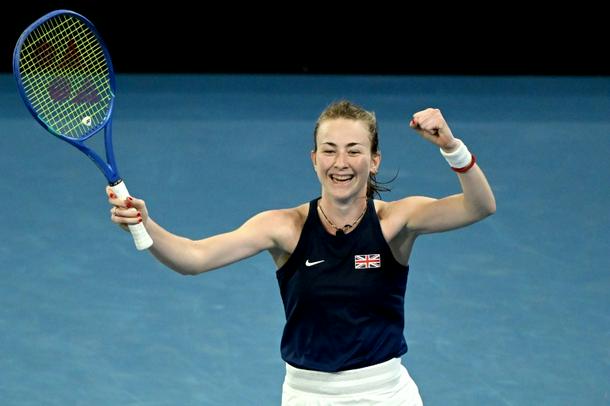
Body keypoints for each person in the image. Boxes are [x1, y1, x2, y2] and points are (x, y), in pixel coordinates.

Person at [107, 100, 496, 405]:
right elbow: (194, 258)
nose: (340, 163)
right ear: (314, 159)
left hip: (386, 394)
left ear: (374, 160)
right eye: (329, 150)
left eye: (354, 151)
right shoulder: (284, 228)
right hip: (307, 396)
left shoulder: (396, 222)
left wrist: (452, 147)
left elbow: (479, 206)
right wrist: (146, 225)